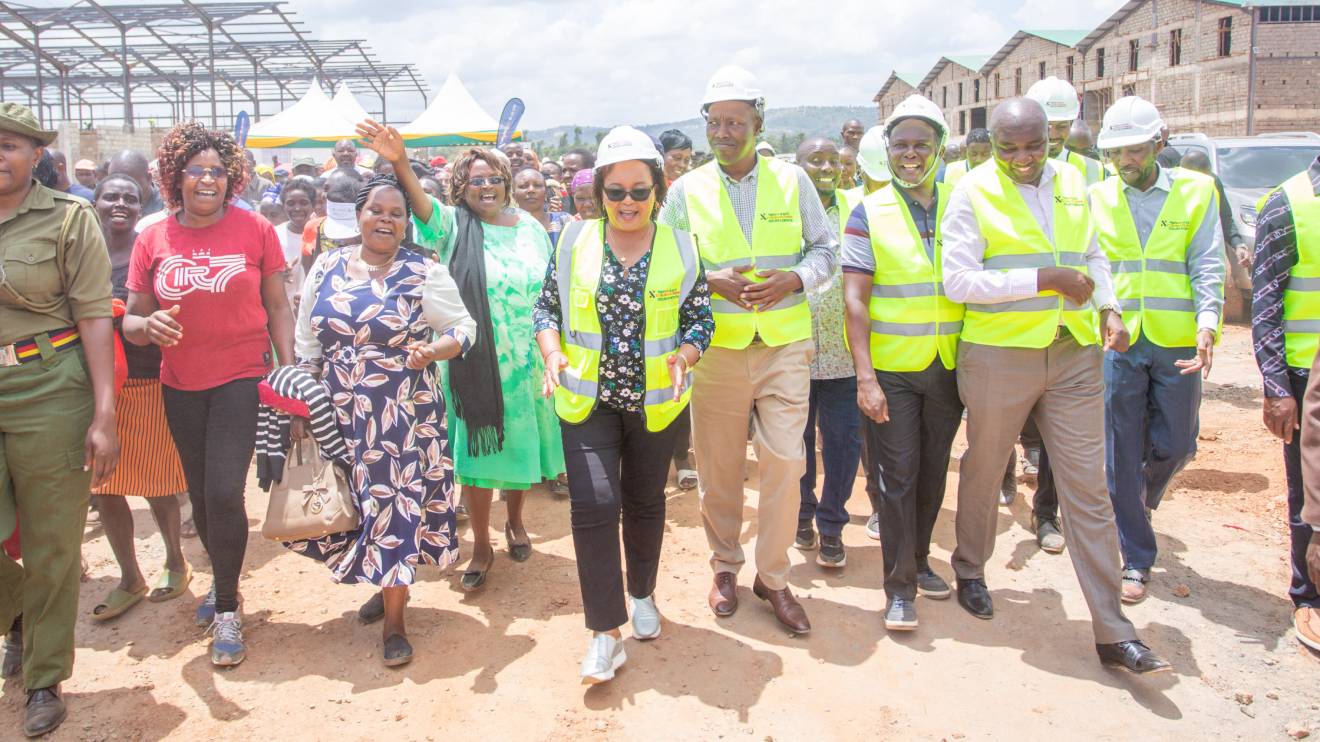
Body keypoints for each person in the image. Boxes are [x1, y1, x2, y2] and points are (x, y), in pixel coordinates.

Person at [941, 97, 1170, 674]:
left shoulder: (1074, 180)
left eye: (1034, 144)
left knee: (1087, 488)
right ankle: (970, 566)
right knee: (987, 466)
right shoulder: (971, 190)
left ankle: (1113, 631)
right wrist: (1044, 280)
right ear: (991, 144)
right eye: (1008, 147)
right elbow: (960, 280)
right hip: (1000, 353)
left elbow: (1093, 254)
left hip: (1073, 352)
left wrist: (1109, 306)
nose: (1023, 158)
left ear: (1052, 137)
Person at [658, 65, 837, 634]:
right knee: (720, 468)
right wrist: (710, 282)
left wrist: (795, 280)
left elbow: (825, 250)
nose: (725, 132)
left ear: (759, 123)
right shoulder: (686, 191)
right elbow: (663, 263)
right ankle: (726, 567)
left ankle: (774, 578)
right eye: (716, 122)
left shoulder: (793, 181)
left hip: (784, 344)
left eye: (737, 121)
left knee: (787, 460)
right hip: (716, 351)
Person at [535, 126, 713, 683]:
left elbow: (700, 320)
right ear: (599, 194)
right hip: (587, 400)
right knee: (593, 506)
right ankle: (604, 634)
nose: (628, 203)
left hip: (655, 403)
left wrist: (686, 354)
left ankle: (642, 593)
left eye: (640, 191)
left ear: (658, 190)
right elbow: (546, 310)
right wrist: (551, 354)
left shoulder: (682, 246)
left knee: (643, 505)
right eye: (616, 192)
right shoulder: (572, 241)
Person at [357, 120, 566, 592]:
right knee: (477, 453)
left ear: (507, 183)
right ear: (461, 187)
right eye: (476, 180)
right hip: (472, 362)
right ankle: (481, 545)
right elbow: (422, 205)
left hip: (525, 364)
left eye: (494, 178)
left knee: (518, 448)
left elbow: (549, 293)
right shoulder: (452, 226)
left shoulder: (531, 228)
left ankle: (515, 521)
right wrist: (399, 161)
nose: (486, 186)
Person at [123, 121, 295, 668]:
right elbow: (130, 317)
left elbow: (278, 306)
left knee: (224, 492)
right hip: (178, 384)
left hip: (242, 378)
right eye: (196, 171)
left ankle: (225, 607)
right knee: (197, 497)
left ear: (232, 178)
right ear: (176, 177)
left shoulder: (256, 230)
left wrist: (288, 372)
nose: (207, 180)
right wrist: (146, 329)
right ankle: (228, 584)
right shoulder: (152, 237)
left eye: (217, 171)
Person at [290, 174, 474, 666]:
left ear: (406, 222)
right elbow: (307, 340)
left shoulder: (423, 270)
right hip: (338, 412)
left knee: (394, 504)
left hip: (402, 414)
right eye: (377, 211)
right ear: (360, 214)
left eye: (397, 213)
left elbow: (463, 327)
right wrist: (305, 399)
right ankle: (385, 579)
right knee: (350, 501)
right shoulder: (326, 264)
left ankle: (395, 619)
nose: (387, 220)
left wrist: (435, 348)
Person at [0, 102, 119, 738]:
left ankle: (43, 677)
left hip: (49, 385)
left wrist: (105, 413)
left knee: (51, 541)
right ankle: (18, 613)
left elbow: (95, 317)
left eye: (11, 145)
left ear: (36, 156)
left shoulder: (68, 218)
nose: (0, 155)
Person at [1091, 96, 1224, 604]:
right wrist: (1108, 312)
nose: (1124, 161)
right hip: (1120, 342)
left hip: (1177, 340)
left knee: (1177, 444)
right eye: (1115, 153)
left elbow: (1206, 260)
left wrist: (1208, 323)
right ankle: (1136, 558)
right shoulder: (1098, 197)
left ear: (1159, 143)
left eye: (1134, 150)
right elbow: (1095, 263)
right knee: (1120, 452)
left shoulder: (1196, 191)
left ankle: (1138, 498)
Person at [843, 95, 962, 631]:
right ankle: (899, 589)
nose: (910, 154)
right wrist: (865, 377)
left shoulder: (962, 202)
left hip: (949, 365)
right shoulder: (868, 211)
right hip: (891, 370)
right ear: (886, 152)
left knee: (934, 473)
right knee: (896, 476)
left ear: (938, 147)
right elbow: (855, 300)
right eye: (900, 145)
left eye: (921, 144)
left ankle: (919, 560)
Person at [88, 175, 192, 623]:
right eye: (111, 196)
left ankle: (175, 562)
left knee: (158, 483)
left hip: (147, 378)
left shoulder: (147, 249)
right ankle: (130, 576)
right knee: (104, 486)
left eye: (130, 198)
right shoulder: (82, 250)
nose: (120, 204)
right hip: (93, 383)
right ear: (95, 201)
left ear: (142, 203)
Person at [1251, 149, 1320, 651]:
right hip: (1303, 374)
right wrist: (1276, 386)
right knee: (1310, 489)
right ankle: (1309, 595)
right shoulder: (1289, 205)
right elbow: (1266, 299)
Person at [791, 137, 861, 569]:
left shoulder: (857, 209)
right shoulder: (783, 214)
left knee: (842, 445)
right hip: (792, 354)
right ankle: (801, 516)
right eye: (815, 161)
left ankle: (832, 523)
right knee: (794, 446)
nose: (825, 168)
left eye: (832, 161)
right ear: (797, 167)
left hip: (844, 354)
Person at [1025, 77, 1105, 186]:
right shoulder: (1012, 168)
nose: (1053, 135)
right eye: (1045, 126)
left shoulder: (1093, 169)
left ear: (1071, 124)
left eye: (1061, 126)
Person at [1179, 149, 1251, 270]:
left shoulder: (1213, 183)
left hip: (1208, 254)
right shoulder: (1171, 188)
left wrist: (1238, 244)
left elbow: (1225, 218)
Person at [299, 168, 364, 275]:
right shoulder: (315, 227)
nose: (325, 195)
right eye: (326, 188)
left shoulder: (373, 229)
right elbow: (311, 273)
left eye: (336, 189)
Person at [278, 177, 318, 305]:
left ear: (313, 205)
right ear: (283, 206)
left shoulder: (323, 235)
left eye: (303, 202)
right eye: (290, 203)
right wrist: (277, 275)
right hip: (283, 315)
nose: (297, 208)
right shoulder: (273, 235)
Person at [513, 168, 570, 247]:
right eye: (523, 186)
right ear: (513, 195)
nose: (531, 190)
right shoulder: (506, 226)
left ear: (546, 192)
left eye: (537, 186)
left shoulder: (565, 221)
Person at [108, 150, 165, 215]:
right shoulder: (104, 206)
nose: (121, 189)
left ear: (149, 178)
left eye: (130, 184)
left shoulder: (167, 210)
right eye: (115, 182)